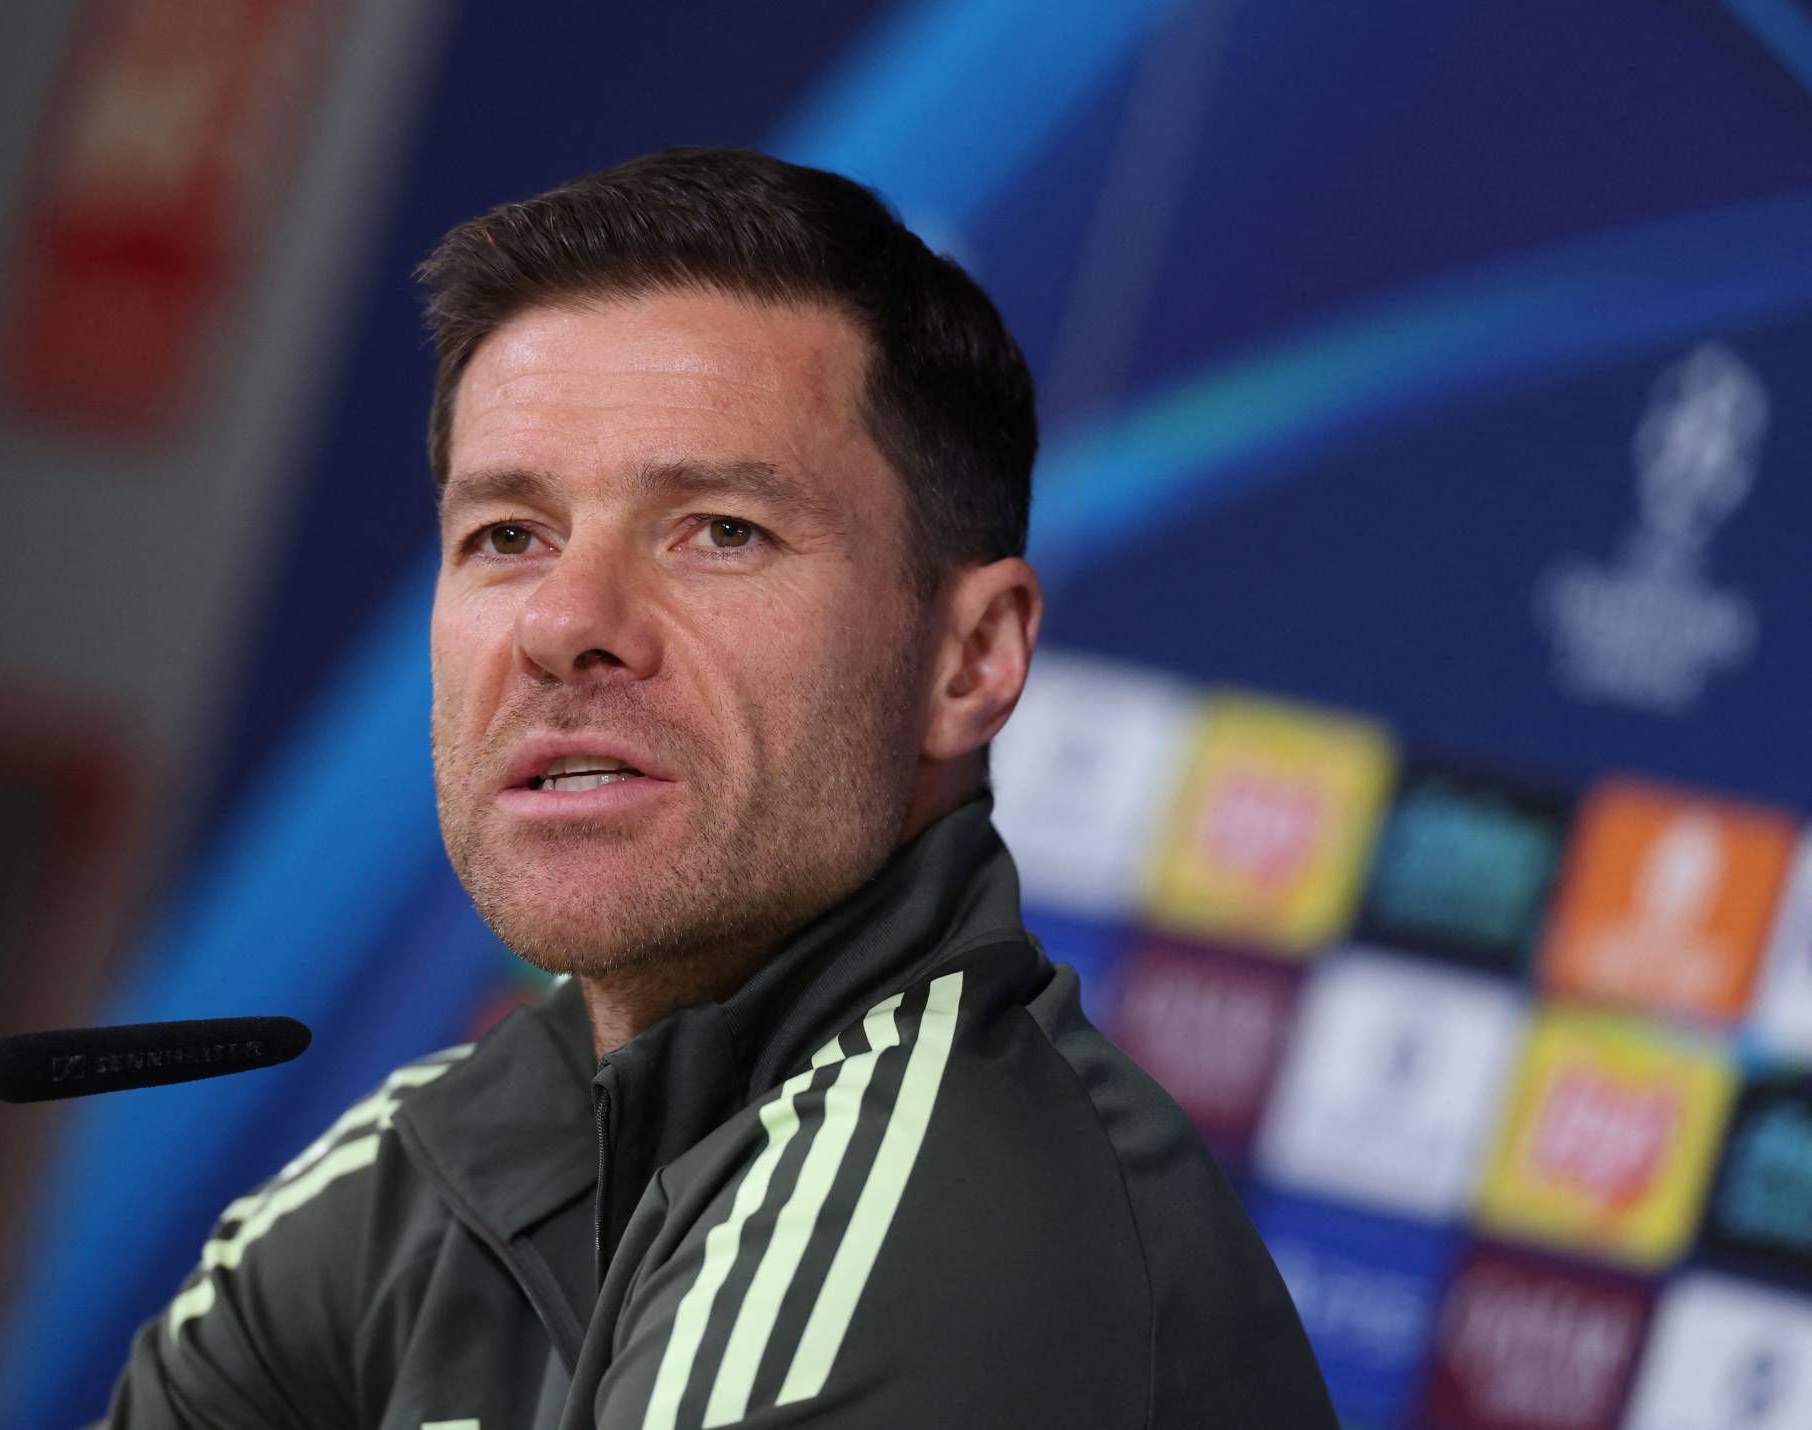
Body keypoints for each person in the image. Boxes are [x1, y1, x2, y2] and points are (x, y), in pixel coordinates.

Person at [102, 147, 1336, 1428]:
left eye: (721, 531)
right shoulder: (420, 1167)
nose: (562, 621)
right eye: (507, 536)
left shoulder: (935, 1220)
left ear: (969, 658)